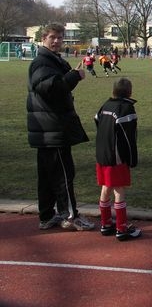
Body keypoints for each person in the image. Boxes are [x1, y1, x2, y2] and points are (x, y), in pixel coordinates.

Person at [27, 22, 95, 231]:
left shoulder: (51, 60)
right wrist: (74, 76)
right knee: (63, 174)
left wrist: (71, 73)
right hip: (51, 128)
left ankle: (47, 215)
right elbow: (51, 88)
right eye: (52, 37)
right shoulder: (41, 62)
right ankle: (70, 216)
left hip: (48, 128)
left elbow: (57, 83)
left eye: (59, 38)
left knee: (48, 176)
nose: (56, 41)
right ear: (43, 39)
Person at [94, 77, 141, 240]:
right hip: (117, 156)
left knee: (106, 187)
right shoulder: (126, 108)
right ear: (130, 92)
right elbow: (129, 137)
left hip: (102, 153)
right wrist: (132, 158)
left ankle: (106, 223)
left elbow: (97, 120)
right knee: (119, 189)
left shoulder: (105, 105)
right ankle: (121, 228)